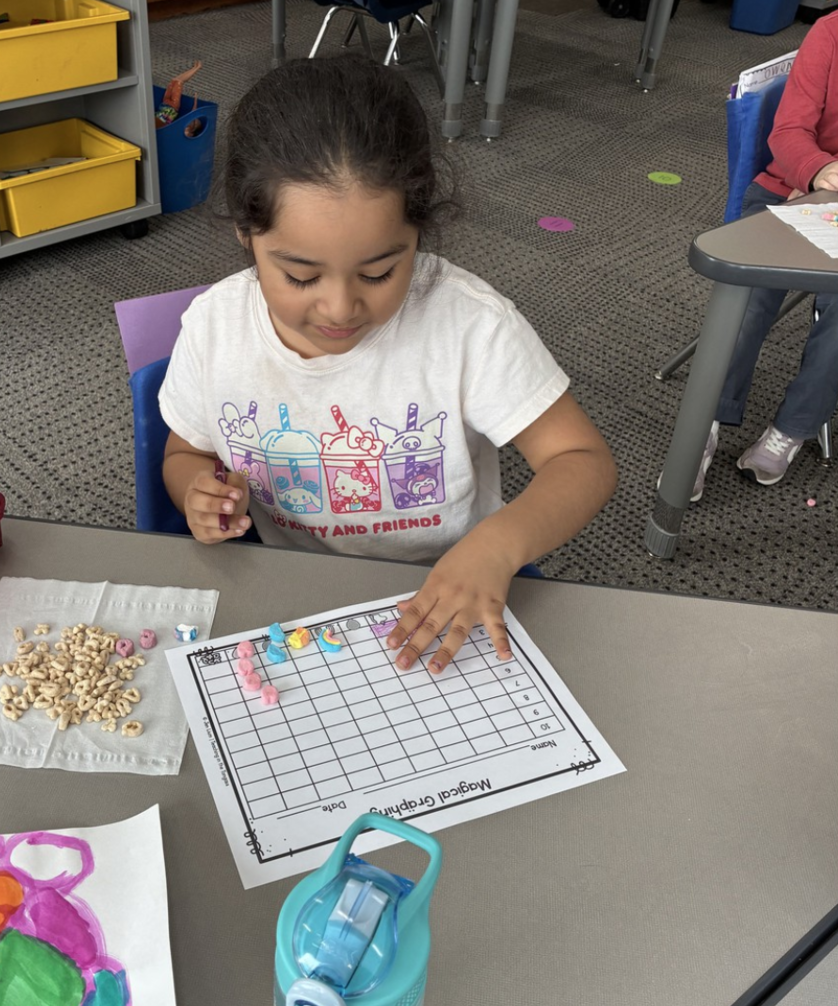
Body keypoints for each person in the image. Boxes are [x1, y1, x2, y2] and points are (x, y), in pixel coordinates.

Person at [159, 55, 616, 674]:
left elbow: (582, 463)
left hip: (446, 591)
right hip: (292, 595)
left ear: (420, 231)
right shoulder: (214, 329)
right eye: (299, 275)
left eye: (379, 272)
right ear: (247, 234)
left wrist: (498, 545)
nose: (341, 306)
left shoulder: (470, 325)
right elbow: (184, 455)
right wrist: (197, 494)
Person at [690, 11, 838, 501]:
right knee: (749, 298)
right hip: (788, 188)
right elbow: (788, 130)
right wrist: (817, 175)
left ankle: (792, 428)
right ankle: (705, 423)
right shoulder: (831, 32)